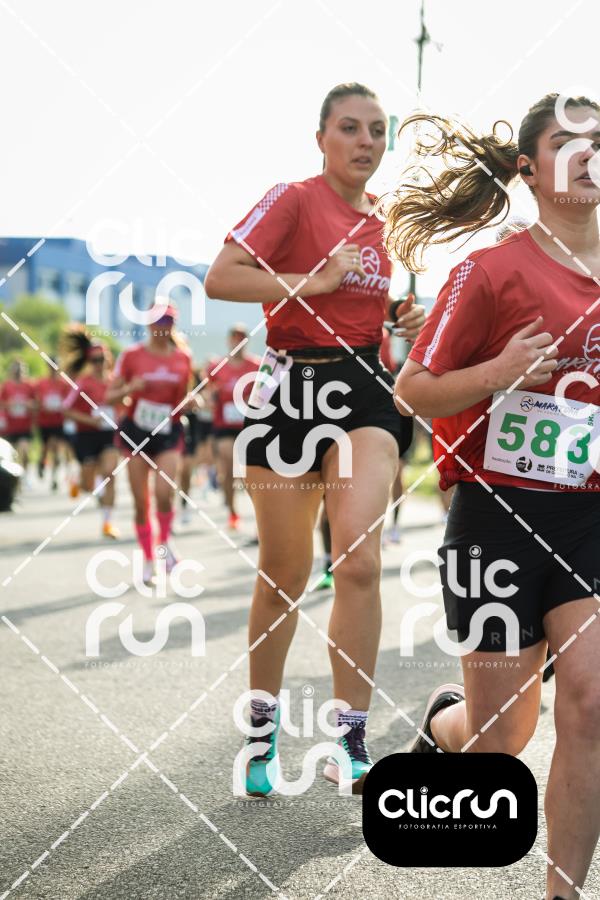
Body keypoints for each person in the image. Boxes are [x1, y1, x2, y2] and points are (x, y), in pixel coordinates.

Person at [390, 94, 600, 900]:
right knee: (500, 738)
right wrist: (499, 372)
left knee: (590, 702)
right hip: (498, 514)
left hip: (589, 514)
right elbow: (414, 389)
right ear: (529, 169)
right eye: (567, 143)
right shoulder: (490, 271)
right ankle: (443, 724)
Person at [205, 82, 424, 796]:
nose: (366, 142)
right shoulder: (293, 199)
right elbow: (221, 278)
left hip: (362, 389)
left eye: (377, 130)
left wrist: (405, 318)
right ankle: (261, 733)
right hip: (287, 390)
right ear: (321, 136)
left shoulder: (389, 221)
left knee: (357, 563)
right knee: (283, 576)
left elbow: (372, 306)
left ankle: (350, 741)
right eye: (350, 128)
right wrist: (312, 279)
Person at [106, 304, 192, 583]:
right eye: (157, 321)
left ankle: (164, 546)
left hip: (168, 431)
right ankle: (147, 560)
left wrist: (192, 402)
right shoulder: (132, 355)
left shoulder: (183, 357)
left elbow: (183, 399)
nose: (162, 327)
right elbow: (110, 397)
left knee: (164, 493)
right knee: (141, 502)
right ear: (148, 324)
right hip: (136, 432)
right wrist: (130, 389)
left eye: (168, 321)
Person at [60, 326, 120, 538]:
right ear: (88, 361)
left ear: (108, 359)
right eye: (94, 360)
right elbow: (65, 409)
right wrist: (91, 421)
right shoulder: (83, 383)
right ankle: (79, 482)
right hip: (86, 435)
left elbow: (125, 404)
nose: (98, 363)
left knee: (110, 474)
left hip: (108, 434)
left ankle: (107, 523)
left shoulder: (115, 381)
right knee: (88, 485)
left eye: (102, 359)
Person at [205, 324, 261, 530]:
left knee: (250, 472)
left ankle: (259, 514)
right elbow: (207, 394)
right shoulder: (217, 367)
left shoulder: (256, 365)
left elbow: (268, 394)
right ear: (229, 341)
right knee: (228, 467)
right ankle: (232, 511)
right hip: (224, 426)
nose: (238, 342)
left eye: (241, 338)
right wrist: (210, 399)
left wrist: (252, 400)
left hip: (250, 424)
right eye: (234, 338)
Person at [34, 359, 70, 491]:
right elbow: (36, 401)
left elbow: (68, 401)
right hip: (44, 421)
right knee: (45, 448)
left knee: (55, 448)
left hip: (58, 422)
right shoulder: (41, 383)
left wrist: (62, 407)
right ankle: (41, 462)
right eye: (51, 366)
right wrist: (43, 406)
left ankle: (54, 477)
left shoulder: (64, 384)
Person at [0, 359, 36, 481]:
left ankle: (25, 476)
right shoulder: (6, 386)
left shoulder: (29, 386)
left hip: (25, 426)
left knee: (24, 450)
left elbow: (36, 404)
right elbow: (1, 404)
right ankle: (14, 478)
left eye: (21, 369)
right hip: (9, 427)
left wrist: (28, 404)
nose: (18, 372)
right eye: (16, 369)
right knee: (12, 455)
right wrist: (10, 404)